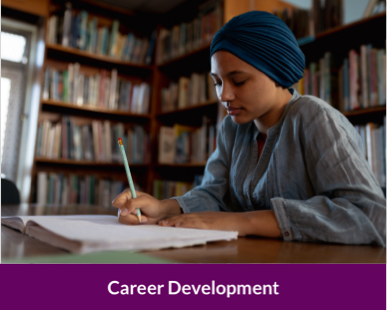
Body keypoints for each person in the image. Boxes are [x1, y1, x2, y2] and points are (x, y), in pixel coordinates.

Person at [113, 11, 386, 246]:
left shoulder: (316, 118)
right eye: (217, 81)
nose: (224, 95)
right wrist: (162, 208)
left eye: (239, 80)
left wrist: (244, 222)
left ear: (277, 70)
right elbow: (213, 194)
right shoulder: (232, 128)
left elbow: (370, 215)